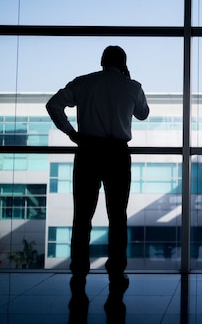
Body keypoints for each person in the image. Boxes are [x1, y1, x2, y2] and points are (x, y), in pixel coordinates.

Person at [46, 45, 150, 305]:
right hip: (117, 154)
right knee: (117, 215)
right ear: (123, 63)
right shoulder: (132, 86)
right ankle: (116, 271)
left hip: (88, 151)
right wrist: (127, 83)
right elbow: (143, 114)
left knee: (82, 215)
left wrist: (71, 132)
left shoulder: (83, 83)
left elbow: (54, 105)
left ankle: (79, 269)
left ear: (102, 61)